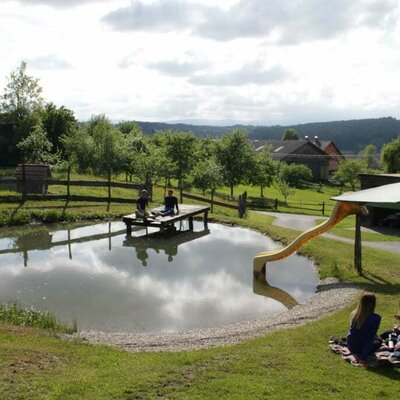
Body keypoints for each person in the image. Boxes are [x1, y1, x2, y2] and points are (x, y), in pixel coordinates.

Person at [347, 293, 381, 364]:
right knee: (379, 341)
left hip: (351, 346)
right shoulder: (376, 318)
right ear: (373, 304)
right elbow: (369, 339)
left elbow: (351, 333)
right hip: (360, 349)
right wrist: (363, 357)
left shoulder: (354, 314)